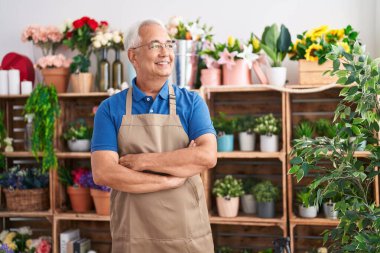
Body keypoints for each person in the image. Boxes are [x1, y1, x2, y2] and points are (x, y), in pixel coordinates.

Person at [91, 19, 217, 253]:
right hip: (134, 238)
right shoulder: (110, 109)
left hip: (187, 236)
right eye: (155, 45)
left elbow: (207, 157)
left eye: (169, 45)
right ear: (133, 56)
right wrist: (168, 180)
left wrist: (142, 161)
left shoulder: (191, 103)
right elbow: (104, 172)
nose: (166, 53)